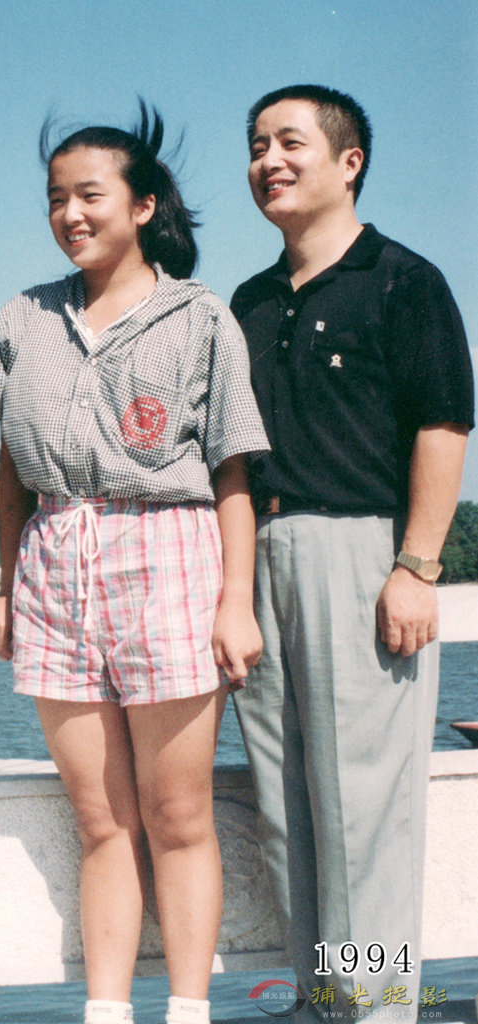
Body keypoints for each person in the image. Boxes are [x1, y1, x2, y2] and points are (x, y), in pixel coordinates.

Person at [0, 103, 270, 1024]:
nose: (68, 213)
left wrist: (235, 601)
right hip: (55, 566)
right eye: (54, 198)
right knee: (101, 822)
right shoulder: (21, 320)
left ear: (143, 206)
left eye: (89, 195)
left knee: (181, 816)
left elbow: (231, 471)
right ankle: (105, 1013)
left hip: (172, 557)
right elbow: (13, 476)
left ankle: (194, 1010)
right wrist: (5, 588)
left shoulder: (201, 317)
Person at [230, 84, 474, 1022]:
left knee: (363, 815)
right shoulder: (249, 302)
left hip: (360, 557)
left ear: (348, 161)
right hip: (259, 559)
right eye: (256, 145)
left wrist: (415, 567)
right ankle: (319, 1004)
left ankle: (374, 1011)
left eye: (288, 142)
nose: (268, 161)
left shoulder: (403, 280)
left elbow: (442, 426)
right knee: (284, 809)